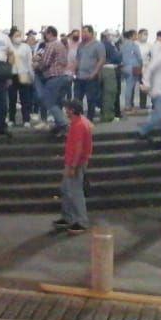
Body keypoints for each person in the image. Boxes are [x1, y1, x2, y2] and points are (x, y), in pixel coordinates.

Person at [57, 100, 92, 234]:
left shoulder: (78, 125)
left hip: (75, 163)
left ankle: (81, 221)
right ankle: (68, 217)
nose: (65, 111)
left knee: (75, 192)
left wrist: (72, 166)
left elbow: (78, 148)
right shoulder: (82, 122)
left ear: (72, 110)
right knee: (66, 189)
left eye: (67, 109)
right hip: (75, 162)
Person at [135, 31, 161, 142]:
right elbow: (149, 69)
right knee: (160, 115)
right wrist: (146, 84)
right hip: (158, 91)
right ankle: (143, 131)